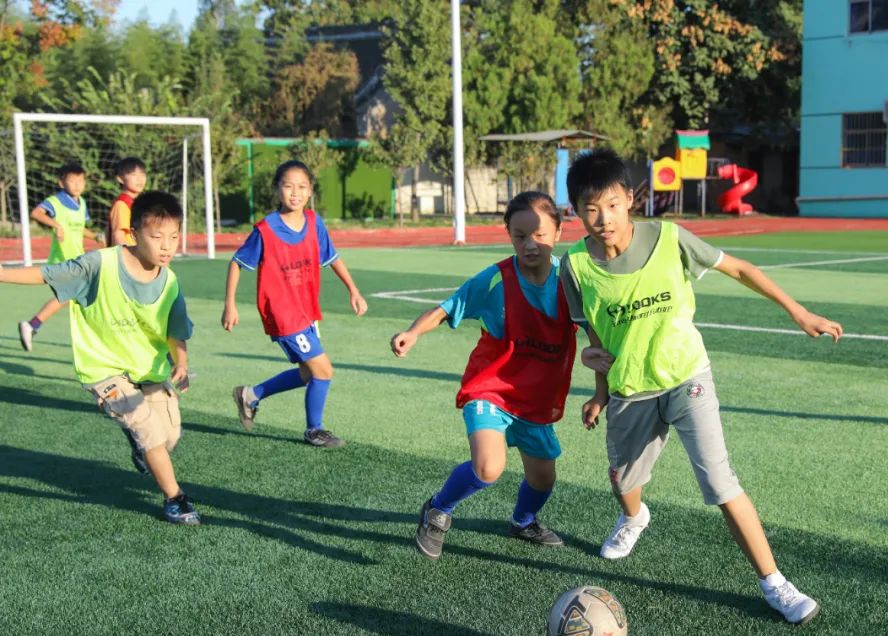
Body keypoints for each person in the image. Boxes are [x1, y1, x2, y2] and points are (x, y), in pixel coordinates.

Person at [560, 148, 843, 625]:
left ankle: (775, 583)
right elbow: (595, 337)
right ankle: (634, 518)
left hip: (688, 377)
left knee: (719, 481)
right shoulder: (574, 267)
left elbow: (741, 270)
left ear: (630, 198)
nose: (603, 218)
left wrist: (801, 313)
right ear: (576, 212)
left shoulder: (670, 238)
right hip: (631, 391)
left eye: (611, 204)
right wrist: (599, 390)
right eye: (591, 208)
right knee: (624, 484)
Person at [391, 191, 611, 560]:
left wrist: (599, 394)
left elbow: (595, 340)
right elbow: (447, 308)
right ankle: (438, 510)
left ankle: (523, 521)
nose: (529, 244)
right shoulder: (494, 280)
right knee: (488, 467)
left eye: (539, 235)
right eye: (519, 236)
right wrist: (413, 332)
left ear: (558, 232)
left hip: (537, 400)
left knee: (543, 479)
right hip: (490, 390)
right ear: (508, 234)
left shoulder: (571, 282)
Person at [0, 191, 200, 524]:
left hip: (148, 368)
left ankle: (143, 449)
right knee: (148, 432)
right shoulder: (99, 264)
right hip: (104, 369)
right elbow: (46, 274)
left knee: (168, 437)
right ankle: (175, 498)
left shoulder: (170, 281)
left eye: (174, 237)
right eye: (157, 237)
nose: (167, 246)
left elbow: (175, 329)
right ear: (133, 234)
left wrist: (182, 361)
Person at [224, 160, 367, 448]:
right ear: (277, 189)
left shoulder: (315, 223)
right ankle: (314, 430)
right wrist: (230, 304)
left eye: (302, 186)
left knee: (306, 374)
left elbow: (332, 257)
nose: (295, 192)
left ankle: (251, 395)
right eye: (288, 186)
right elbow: (237, 263)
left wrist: (353, 289)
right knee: (323, 370)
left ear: (310, 190)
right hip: (282, 313)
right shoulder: (265, 229)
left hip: (306, 312)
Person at [17, 162, 101, 351]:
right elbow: (36, 213)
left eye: (81, 180)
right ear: (61, 182)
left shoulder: (82, 203)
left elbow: (80, 229)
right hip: (62, 259)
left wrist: (96, 237)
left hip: (78, 259)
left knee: (79, 299)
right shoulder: (56, 201)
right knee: (74, 296)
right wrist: (56, 225)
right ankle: (32, 325)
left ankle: (33, 325)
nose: (78, 184)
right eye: (73, 181)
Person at [107, 156, 147, 247]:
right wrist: (127, 257)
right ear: (120, 179)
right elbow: (119, 236)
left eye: (142, 174)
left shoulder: (138, 202)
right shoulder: (122, 204)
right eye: (134, 175)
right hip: (127, 256)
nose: (140, 179)